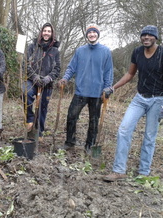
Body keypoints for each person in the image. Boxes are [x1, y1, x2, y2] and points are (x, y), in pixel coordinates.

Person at [103, 25, 163, 182]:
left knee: (149, 136)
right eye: (144, 35)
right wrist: (113, 87)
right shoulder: (137, 52)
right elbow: (130, 73)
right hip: (139, 98)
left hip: (158, 100)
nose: (146, 38)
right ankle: (119, 170)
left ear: (156, 37)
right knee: (124, 130)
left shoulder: (162, 53)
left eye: (150, 35)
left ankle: (144, 172)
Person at [59, 24, 113, 153]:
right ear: (87, 35)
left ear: (98, 34)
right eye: (90, 32)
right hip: (80, 91)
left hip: (97, 93)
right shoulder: (80, 51)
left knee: (93, 121)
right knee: (71, 116)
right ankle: (70, 142)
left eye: (94, 32)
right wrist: (65, 78)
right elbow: (71, 67)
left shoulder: (105, 51)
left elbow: (108, 72)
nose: (92, 34)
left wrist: (108, 88)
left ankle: (90, 145)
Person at [24, 22, 60, 140]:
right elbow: (26, 64)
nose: (46, 33)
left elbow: (57, 68)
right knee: (26, 93)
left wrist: (48, 78)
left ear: (52, 34)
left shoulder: (55, 50)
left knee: (42, 107)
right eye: (45, 31)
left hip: (47, 84)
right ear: (41, 32)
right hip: (32, 80)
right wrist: (34, 77)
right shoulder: (32, 47)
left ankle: (39, 131)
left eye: (49, 31)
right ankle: (29, 119)